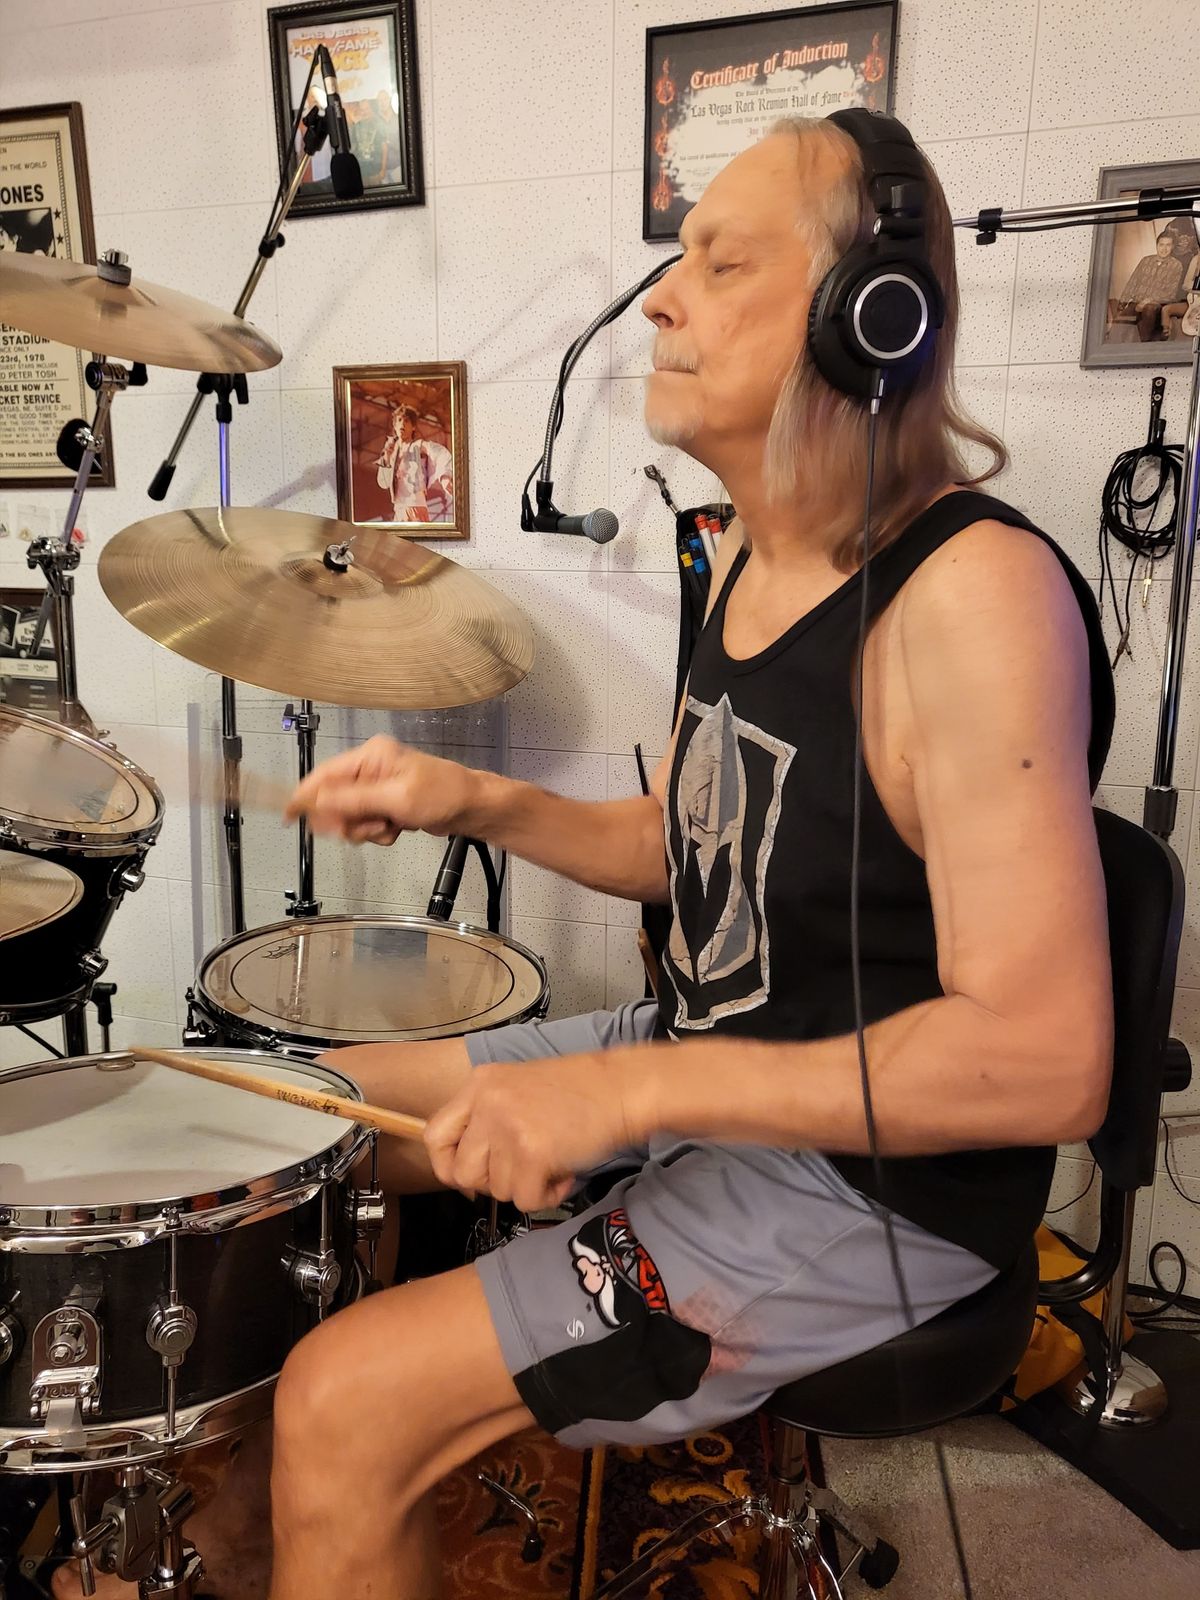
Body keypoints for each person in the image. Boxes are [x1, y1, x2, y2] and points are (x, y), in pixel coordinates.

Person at [54, 112, 1114, 1600]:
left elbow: (1046, 1059)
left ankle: (340, 1462)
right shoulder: (742, 555)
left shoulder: (973, 598)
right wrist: (466, 799)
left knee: (350, 1395)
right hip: (710, 1068)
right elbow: (695, 854)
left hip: (874, 1196)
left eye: (720, 264)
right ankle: (256, 1535)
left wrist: (624, 1093)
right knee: (309, 1122)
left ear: (870, 317)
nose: (661, 297)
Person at [375, 402, 455, 522]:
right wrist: (386, 458)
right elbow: (383, 483)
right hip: (399, 511)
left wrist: (445, 477)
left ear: (413, 427)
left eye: (406, 421)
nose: (402, 423)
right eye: (399, 420)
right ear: (395, 425)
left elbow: (440, 453)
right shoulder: (391, 452)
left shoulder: (417, 445)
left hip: (416, 508)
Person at [1111, 229, 1186, 341]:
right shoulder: (1146, 260)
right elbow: (1133, 282)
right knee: (1120, 322)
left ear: (1173, 247)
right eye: (1161, 245)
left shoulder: (1176, 265)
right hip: (1137, 302)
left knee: (1149, 310)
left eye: (1168, 245)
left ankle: (1143, 343)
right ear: (1157, 245)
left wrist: (1148, 301)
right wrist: (1123, 302)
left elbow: (1171, 293)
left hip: (1157, 305)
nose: (1164, 249)